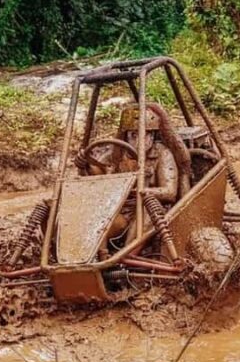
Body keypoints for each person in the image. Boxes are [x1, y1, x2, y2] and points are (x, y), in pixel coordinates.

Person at [74, 104, 180, 253]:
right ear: (126, 135)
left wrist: (140, 191)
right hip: (117, 209)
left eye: (147, 134)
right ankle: (89, 255)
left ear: (153, 135)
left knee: (150, 211)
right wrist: (85, 165)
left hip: (146, 208)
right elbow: (98, 179)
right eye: (134, 135)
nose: (141, 140)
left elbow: (170, 192)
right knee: (90, 216)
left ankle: (127, 256)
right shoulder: (116, 152)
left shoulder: (163, 154)